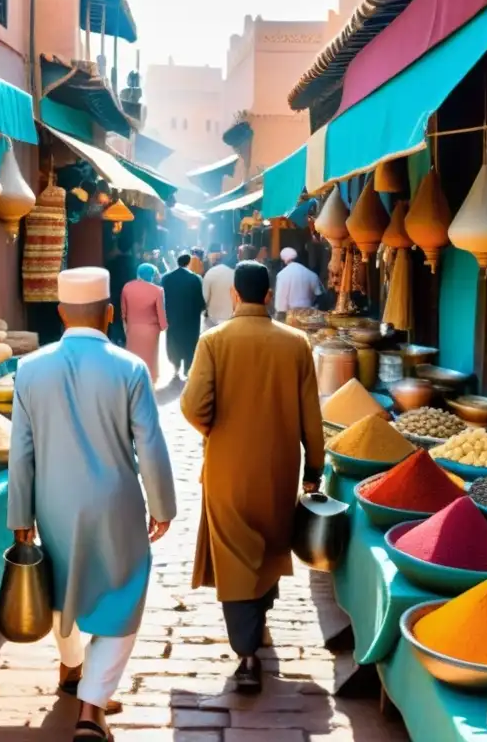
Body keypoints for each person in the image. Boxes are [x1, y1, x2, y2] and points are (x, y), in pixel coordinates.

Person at [9, 268, 177, 740]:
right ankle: (92, 708)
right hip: (116, 503)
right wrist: (162, 505)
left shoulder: (30, 368)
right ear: (108, 315)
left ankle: (72, 669)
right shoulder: (129, 368)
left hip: (52, 503)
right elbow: (151, 445)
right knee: (124, 595)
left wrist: (20, 516)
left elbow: (21, 450)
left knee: (62, 587)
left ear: (61, 313)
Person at [180, 261, 325, 693]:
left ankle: (246, 656)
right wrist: (313, 469)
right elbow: (311, 418)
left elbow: (191, 406)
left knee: (236, 554)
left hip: (228, 468)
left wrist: (215, 429)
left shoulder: (214, 341)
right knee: (268, 542)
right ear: (267, 297)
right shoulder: (296, 343)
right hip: (280, 469)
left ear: (234, 296)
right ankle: (258, 624)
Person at [161, 253, 206, 380]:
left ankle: (175, 366)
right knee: (190, 341)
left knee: (173, 340)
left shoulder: (167, 278)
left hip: (172, 316)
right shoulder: (195, 278)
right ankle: (187, 368)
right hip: (191, 317)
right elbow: (199, 299)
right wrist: (202, 309)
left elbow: (163, 298)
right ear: (188, 263)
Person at [122, 263, 168, 383]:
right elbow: (160, 312)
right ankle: (149, 380)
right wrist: (163, 326)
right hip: (151, 331)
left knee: (133, 355)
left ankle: (133, 378)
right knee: (150, 357)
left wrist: (126, 326)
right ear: (152, 275)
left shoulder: (127, 287)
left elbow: (123, 311)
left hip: (132, 328)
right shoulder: (158, 290)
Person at [274, 247, 323, 322]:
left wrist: (279, 318)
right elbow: (319, 295)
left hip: (290, 318)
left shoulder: (282, 274)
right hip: (308, 318)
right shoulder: (311, 274)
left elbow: (280, 303)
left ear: (284, 261)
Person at [202, 250, 236, 330]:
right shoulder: (235, 273)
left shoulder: (210, 273)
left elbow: (205, 297)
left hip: (212, 320)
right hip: (231, 320)